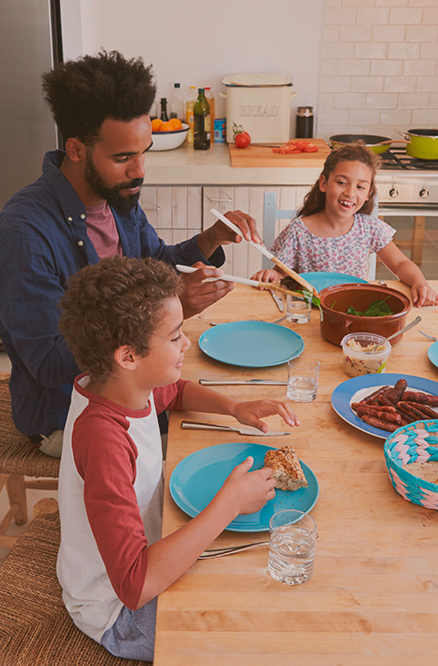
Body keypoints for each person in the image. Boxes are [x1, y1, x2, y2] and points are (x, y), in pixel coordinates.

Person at [0, 51, 261, 457]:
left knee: (239, 415)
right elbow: (47, 360)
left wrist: (210, 240)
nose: (140, 170)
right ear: (76, 150)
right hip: (69, 413)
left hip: (135, 382)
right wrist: (166, 313)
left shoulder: (116, 198)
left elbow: (157, 265)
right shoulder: (22, 235)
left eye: (143, 151)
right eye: (123, 157)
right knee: (211, 450)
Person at [55, 256, 299, 661]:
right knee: (258, 629)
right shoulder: (104, 441)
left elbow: (176, 392)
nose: (186, 343)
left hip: (150, 551)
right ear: (128, 355)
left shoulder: (125, 385)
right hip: (118, 612)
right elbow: (135, 584)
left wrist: (235, 407)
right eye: (174, 337)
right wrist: (230, 505)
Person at [250, 144, 438, 307]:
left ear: (368, 194)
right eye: (342, 182)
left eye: (360, 187)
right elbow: (281, 275)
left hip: (355, 309)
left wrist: (420, 282)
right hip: (310, 314)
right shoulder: (299, 230)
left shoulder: (369, 228)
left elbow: (400, 264)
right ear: (324, 183)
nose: (350, 193)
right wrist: (271, 276)